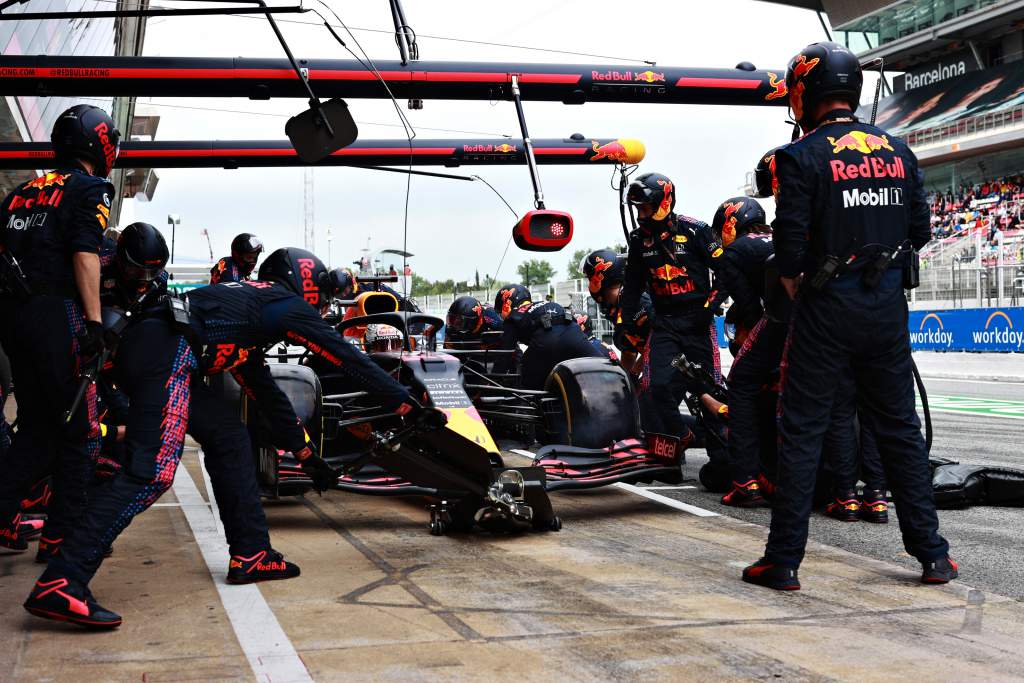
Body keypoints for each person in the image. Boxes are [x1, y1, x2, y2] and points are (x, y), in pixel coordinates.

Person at [743, 41, 955, 591]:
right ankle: (933, 556)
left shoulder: (799, 156)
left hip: (826, 308)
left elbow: (787, 255)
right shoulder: (900, 151)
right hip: (886, 306)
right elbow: (921, 233)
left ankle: (783, 562)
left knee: (802, 431)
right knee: (900, 433)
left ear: (806, 91)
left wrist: (809, 285)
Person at [24, 222, 195, 628]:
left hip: (115, 373)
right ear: (121, 260)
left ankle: (62, 535)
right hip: (75, 362)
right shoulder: (92, 268)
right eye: (138, 271)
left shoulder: (158, 284)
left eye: (153, 273)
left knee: (108, 446)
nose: (145, 280)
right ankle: (51, 530)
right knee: (71, 441)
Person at [0, 104, 119, 554]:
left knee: (35, 430)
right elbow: (85, 253)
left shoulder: (21, 192)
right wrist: (93, 324)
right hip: (57, 317)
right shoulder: (92, 188)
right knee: (82, 431)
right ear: (99, 141)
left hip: (13, 321)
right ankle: (62, 538)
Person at [619, 172, 730, 490]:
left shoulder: (696, 230)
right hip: (665, 323)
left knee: (708, 390)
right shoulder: (639, 240)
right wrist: (627, 324)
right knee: (655, 388)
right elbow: (632, 288)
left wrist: (710, 308)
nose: (640, 214)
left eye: (645, 207)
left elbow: (725, 272)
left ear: (663, 203)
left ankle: (723, 462)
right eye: (637, 208)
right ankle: (674, 448)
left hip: (699, 321)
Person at [708, 196, 778, 507]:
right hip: (819, 329)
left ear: (731, 222)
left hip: (777, 327)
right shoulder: (785, 235)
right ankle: (858, 490)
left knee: (742, 386)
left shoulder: (735, 251)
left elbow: (751, 309)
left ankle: (746, 482)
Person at [493, 284, 603, 389]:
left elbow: (505, 353)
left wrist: (494, 380)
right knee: (603, 366)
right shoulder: (550, 303)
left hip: (547, 341)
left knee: (527, 389)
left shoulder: (513, 316)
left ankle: (525, 407)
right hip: (574, 334)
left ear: (507, 301)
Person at [581, 249, 653, 376]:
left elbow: (657, 342)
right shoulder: (617, 307)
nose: (589, 284)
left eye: (589, 278)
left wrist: (635, 373)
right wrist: (623, 379)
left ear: (600, 276)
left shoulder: (638, 300)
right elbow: (629, 352)